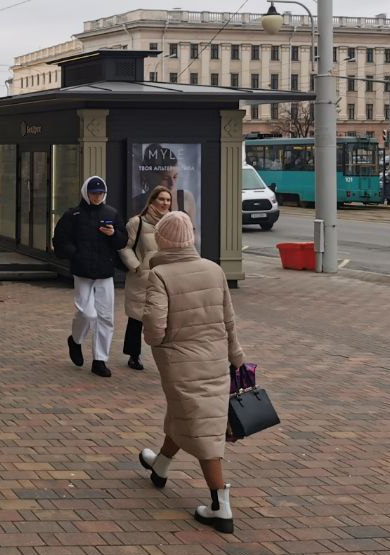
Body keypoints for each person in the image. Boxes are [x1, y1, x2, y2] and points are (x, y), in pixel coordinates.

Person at [137, 211, 246, 534]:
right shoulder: (214, 270)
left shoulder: (161, 276)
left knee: (200, 426)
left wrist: (158, 342)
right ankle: (161, 465)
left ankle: (219, 504)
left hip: (179, 360)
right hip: (214, 359)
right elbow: (229, 320)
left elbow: (155, 329)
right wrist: (236, 356)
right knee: (187, 415)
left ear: (163, 240)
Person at [52, 176, 128, 378]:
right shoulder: (73, 214)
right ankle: (75, 340)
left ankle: (100, 360)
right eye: (94, 193)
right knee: (87, 313)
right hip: (82, 271)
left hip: (105, 271)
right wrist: (74, 254)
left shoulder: (111, 213)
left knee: (106, 317)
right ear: (86, 193)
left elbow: (122, 241)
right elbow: (60, 239)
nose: (97, 197)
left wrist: (113, 235)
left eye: (100, 193)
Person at [122, 185, 172, 372]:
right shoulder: (137, 223)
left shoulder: (173, 222)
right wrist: (136, 266)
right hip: (142, 278)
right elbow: (125, 247)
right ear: (152, 201)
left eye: (168, 200)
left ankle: (167, 355)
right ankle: (134, 355)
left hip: (166, 278)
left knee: (166, 318)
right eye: (161, 199)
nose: (165, 203)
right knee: (137, 318)